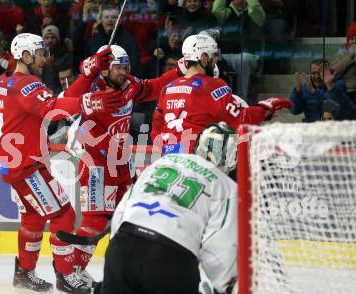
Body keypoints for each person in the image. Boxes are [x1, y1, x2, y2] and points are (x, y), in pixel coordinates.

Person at [0, 33, 119, 293]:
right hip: (28, 167)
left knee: (33, 218)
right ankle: (65, 276)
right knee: (64, 214)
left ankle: (24, 273)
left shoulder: (4, 81)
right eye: (40, 53)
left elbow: (58, 100)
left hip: (14, 165)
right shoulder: (27, 85)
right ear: (25, 56)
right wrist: (91, 101)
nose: (44, 58)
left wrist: (89, 73)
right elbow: (55, 108)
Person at [62, 44, 186, 289]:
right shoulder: (93, 87)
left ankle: (106, 269)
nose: (123, 72)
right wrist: (87, 72)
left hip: (121, 163)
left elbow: (154, 86)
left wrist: (182, 68)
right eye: (118, 67)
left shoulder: (129, 85)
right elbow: (65, 102)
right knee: (96, 219)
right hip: (95, 163)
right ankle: (71, 272)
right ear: (105, 68)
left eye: (126, 66)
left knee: (125, 216)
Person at [100, 122, 239, 294]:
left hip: (123, 247)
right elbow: (222, 246)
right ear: (232, 156)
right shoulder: (226, 185)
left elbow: (124, 208)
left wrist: (115, 263)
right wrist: (221, 287)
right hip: (170, 258)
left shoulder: (164, 162)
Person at [152, 33, 291, 155]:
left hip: (167, 159)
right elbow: (241, 118)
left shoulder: (168, 88)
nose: (216, 61)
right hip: (195, 161)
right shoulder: (212, 85)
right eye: (213, 56)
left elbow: (156, 132)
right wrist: (266, 108)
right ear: (203, 57)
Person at [290, 59, 356, 122]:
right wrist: (297, 92)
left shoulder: (337, 85)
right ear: (310, 73)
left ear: (328, 71)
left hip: (332, 127)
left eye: (320, 73)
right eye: (314, 73)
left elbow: (335, 107)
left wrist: (316, 91)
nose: (317, 76)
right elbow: (295, 110)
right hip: (311, 128)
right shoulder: (306, 87)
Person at [331, 22, 356, 104]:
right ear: (348, 40)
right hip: (347, 90)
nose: (354, 42)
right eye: (352, 39)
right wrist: (350, 56)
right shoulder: (341, 52)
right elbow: (333, 70)